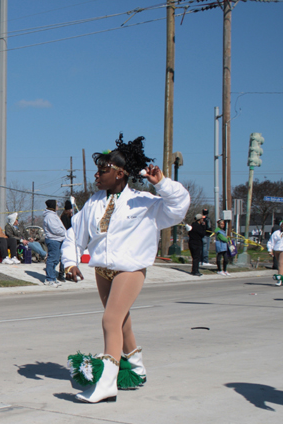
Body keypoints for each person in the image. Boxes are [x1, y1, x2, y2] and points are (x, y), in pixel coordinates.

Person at [63, 134, 190, 404]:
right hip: (102, 271)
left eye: (103, 170)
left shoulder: (145, 202)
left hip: (130, 270)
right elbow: (76, 234)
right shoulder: (94, 202)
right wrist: (70, 262)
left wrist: (164, 184)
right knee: (121, 321)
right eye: (97, 170)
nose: (97, 175)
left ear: (121, 174)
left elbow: (178, 209)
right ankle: (137, 368)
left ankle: (107, 382)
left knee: (110, 320)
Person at [43, 199, 66, 286]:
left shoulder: (53, 215)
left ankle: (53, 277)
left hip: (58, 239)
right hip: (53, 240)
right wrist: (65, 233)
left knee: (56, 260)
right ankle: (49, 279)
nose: (58, 207)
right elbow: (55, 229)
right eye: (57, 205)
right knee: (52, 260)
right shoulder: (49, 216)